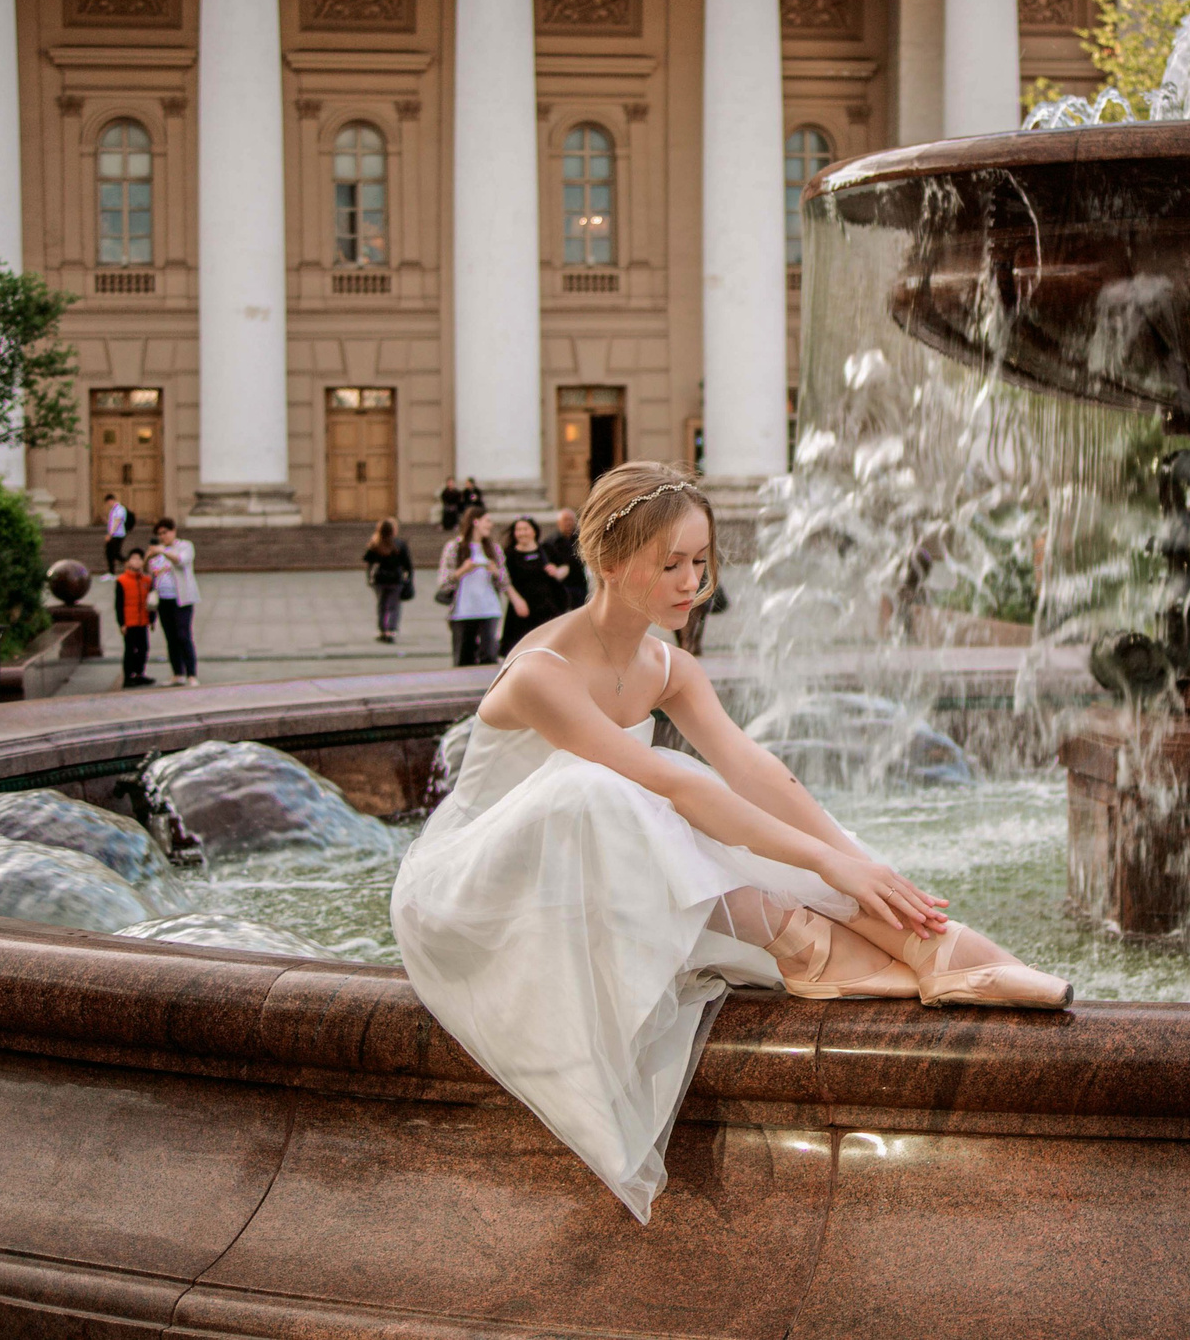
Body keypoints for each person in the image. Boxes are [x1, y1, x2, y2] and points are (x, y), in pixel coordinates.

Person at [392, 462, 1068, 1226]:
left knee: (717, 804)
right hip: (479, 893)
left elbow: (755, 770)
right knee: (612, 785)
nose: (691, 582)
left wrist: (860, 862)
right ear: (611, 562)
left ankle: (925, 941)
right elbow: (673, 784)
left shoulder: (669, 664)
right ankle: (795, 936)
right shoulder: (541, 672)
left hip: (600, 870)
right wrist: (821, 861)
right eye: (671, 563)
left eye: (701, 561)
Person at [437, 506, 503, 667]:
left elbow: (504, 581)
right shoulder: (454, 547)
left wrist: (495, 572)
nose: (490, 524)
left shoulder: (493, 549)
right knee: (463, 661)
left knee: (488, 659)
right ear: (475, 522)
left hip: (489, 610)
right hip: (463, 611)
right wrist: (462, 571)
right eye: (487, 521)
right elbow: (443, 581)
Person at [497, 515, 567, 656]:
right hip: (522, 608)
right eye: (518, 530)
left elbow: (565, 567)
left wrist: (557, 572)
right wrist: (516, 601)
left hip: (547, 606)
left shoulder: (546, 549)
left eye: (525, 529)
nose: (522, 533)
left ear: (534, 531)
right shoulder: (510, 554)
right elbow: (506, 581)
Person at [147, 518, 200, 687]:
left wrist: (162, 551)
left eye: (165, 532)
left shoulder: (185, 546)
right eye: (160, 534)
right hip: (163, 600)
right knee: (170, 637)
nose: (163, 536)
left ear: (173, 531)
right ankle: (178, 673)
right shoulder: (158, 553)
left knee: (183, 635)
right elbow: (150, 572)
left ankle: (191, 673)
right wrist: (148, 557)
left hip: (181, 599)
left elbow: (180, 560)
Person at [365, 517, 414, 644]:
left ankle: (382, 630)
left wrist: (369, 578)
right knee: (393, 606)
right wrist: (409, 579)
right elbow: (407, 565)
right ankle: (391, 630)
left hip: (380, 578)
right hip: (395, 579)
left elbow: (369, 562)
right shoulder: (399, 544)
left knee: (381, 605)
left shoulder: (375, 544)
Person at [115, 545, 154, 688]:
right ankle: (128, 676)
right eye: (134, 559)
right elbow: (118, 604)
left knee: (143, 648)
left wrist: (152, 619)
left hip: (142, 620)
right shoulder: (122, 580)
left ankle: (139, 673)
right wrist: (122, 623)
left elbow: (151, 601)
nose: (137, 562)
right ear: (128, 562)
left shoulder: (146, 580)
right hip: (130, 620)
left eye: (139, 559)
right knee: (130, 650)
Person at [541, 505, 588, 609]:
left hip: (579, 583)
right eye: (565, 520)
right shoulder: (550, 542)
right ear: (559, 523)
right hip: (560, 585)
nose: (568, 523)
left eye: (570, 520)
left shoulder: (581, 539)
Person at [101, 491, 129, 572]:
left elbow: (117, 521)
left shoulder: (120, 509)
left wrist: (110, 534)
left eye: (108, 502)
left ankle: (128, 563)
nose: (108, 504)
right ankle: (111, 572)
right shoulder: (113, 510)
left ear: (111, 500)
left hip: (118, 535)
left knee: (116, 553)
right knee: (109, 553)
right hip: (113, 534)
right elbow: (112, 522)